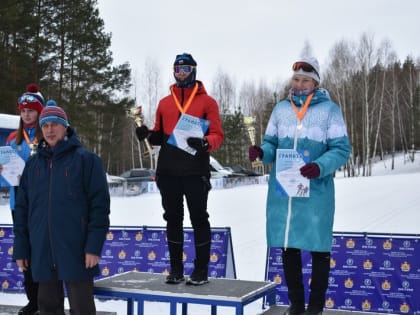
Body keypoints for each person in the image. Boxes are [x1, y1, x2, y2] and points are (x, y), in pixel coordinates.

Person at [249, 57, 351, 315]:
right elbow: (271, 143)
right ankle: (296, 305)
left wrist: (319, 166)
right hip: (285, 191)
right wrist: (262, 152)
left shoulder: (330, 110)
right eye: (296, 79)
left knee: (318, 248)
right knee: (288, 246)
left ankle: (315, 307)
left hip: (316, 191)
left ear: (315, 82)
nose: (300, 83)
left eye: (305, 79)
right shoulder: (281, 109)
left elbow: (341, 149)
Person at [135, 53, 224, 285]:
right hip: (169, 171)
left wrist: (206, 143)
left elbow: (217, 135)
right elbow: (158, 136)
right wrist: (146, 134)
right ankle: (176, 269)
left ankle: (201, 271)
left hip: (195, 170)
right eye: (177, 70)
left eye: (185, 70)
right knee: (173, 219)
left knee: (199, 219)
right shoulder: (165, 103)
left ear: (194, 71)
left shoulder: (207, 102)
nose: (181, 74)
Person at [12, 104, 110, 315]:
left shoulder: (87, 160)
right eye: (45, 125)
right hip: (42, 251)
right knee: (47, 309)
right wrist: (21, 247)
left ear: (65, 127)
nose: (49, 130)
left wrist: (93, 246)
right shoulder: (33, 164)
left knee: (82, 309)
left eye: (54, 124)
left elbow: (99, 207)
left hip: (76, 250)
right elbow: (21, 209)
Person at [4, 83, 45, 315]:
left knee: (40, 251)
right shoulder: (13, 138)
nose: (26, 114)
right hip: (17, 202)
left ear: (39, 111)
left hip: (41, 203)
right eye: (23, 110)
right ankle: (32, 300)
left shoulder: (47, 133)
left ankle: (44, 299)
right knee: (25, 252)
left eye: (30, 110)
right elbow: (7, 176)